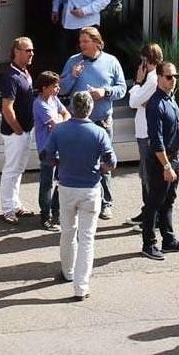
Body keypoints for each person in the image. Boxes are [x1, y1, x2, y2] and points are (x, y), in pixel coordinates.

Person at [47, 89, 114, 300]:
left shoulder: (59, 130)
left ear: (72, 108)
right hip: (90, 189)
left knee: (67, 232)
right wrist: (101, 169)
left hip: (66, 187)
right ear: (90, 108)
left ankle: (67, 272)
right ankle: (81, 287)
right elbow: (111, 162)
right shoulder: (99, 132)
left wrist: (59, 163)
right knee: (87, 238)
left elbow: (46, 155)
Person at [60, 26, 126, 219]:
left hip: (102, 121)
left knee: (105, 163)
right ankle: (75, 203)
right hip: (78, 123)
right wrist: (73, 75)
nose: (81, 45)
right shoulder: (73, 61)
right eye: (80, 42)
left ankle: (106, 203)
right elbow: (61, 89)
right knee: (76, 161)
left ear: (97, 42)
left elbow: (122, 89)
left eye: (85, 41)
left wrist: (104, 92)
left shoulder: (111, 61)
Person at [140, 55, 179, 259]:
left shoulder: (171, 98)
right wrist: (166, 166)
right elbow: (156, 139)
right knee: (154, 202)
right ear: (158, 78)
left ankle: (168, 240)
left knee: (169, 201)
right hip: (161, 161)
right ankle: (149, 244)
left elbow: (172, 127)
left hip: (173, 158)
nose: (173, 80)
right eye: (169, 76)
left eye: (175, 76)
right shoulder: (155, 104)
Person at [0, 37, 37, 224]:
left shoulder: (24, 72)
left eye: (32, 50)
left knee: (18, 169)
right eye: (27, 50)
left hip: (26, 130)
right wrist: (18, 130)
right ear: (16, 52)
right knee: (11, 170)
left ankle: (15, 204)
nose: (31, 54)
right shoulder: (11, 77)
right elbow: (7, 108)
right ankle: (8, 209)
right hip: (15, 133)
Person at [127, 43, 164, 226]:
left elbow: (133, 102)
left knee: (149, 175)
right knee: (145, 173)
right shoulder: (154, 78)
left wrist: (137, 82)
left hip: (146, 132)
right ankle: (147, 211)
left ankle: (152, 217)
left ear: (145, 60)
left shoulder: (151, 80)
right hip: (144, 130)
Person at [32, 70, 68, 229]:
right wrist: (60, 121)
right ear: (44, 87)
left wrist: (60, 120)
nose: (58, 89)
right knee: (46, 183)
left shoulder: (54, 99)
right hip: (47, 150)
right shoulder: (39, 104)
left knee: (61, 181)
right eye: (55, 86)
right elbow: (56, 126)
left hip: (60, 148)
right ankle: (45, 215)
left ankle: (56, 211)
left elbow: (66, 114)